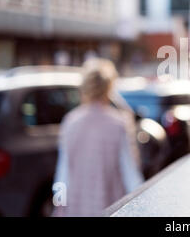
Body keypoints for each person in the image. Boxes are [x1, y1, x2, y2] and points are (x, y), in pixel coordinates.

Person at [52, 58, 143, 217]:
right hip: (111, 208)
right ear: (109, 87)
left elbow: (63, 173)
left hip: (77, 209)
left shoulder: (70, 121)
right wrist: (142, 205)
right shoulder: (118, 123)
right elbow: (130, 173)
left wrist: (59, 205)